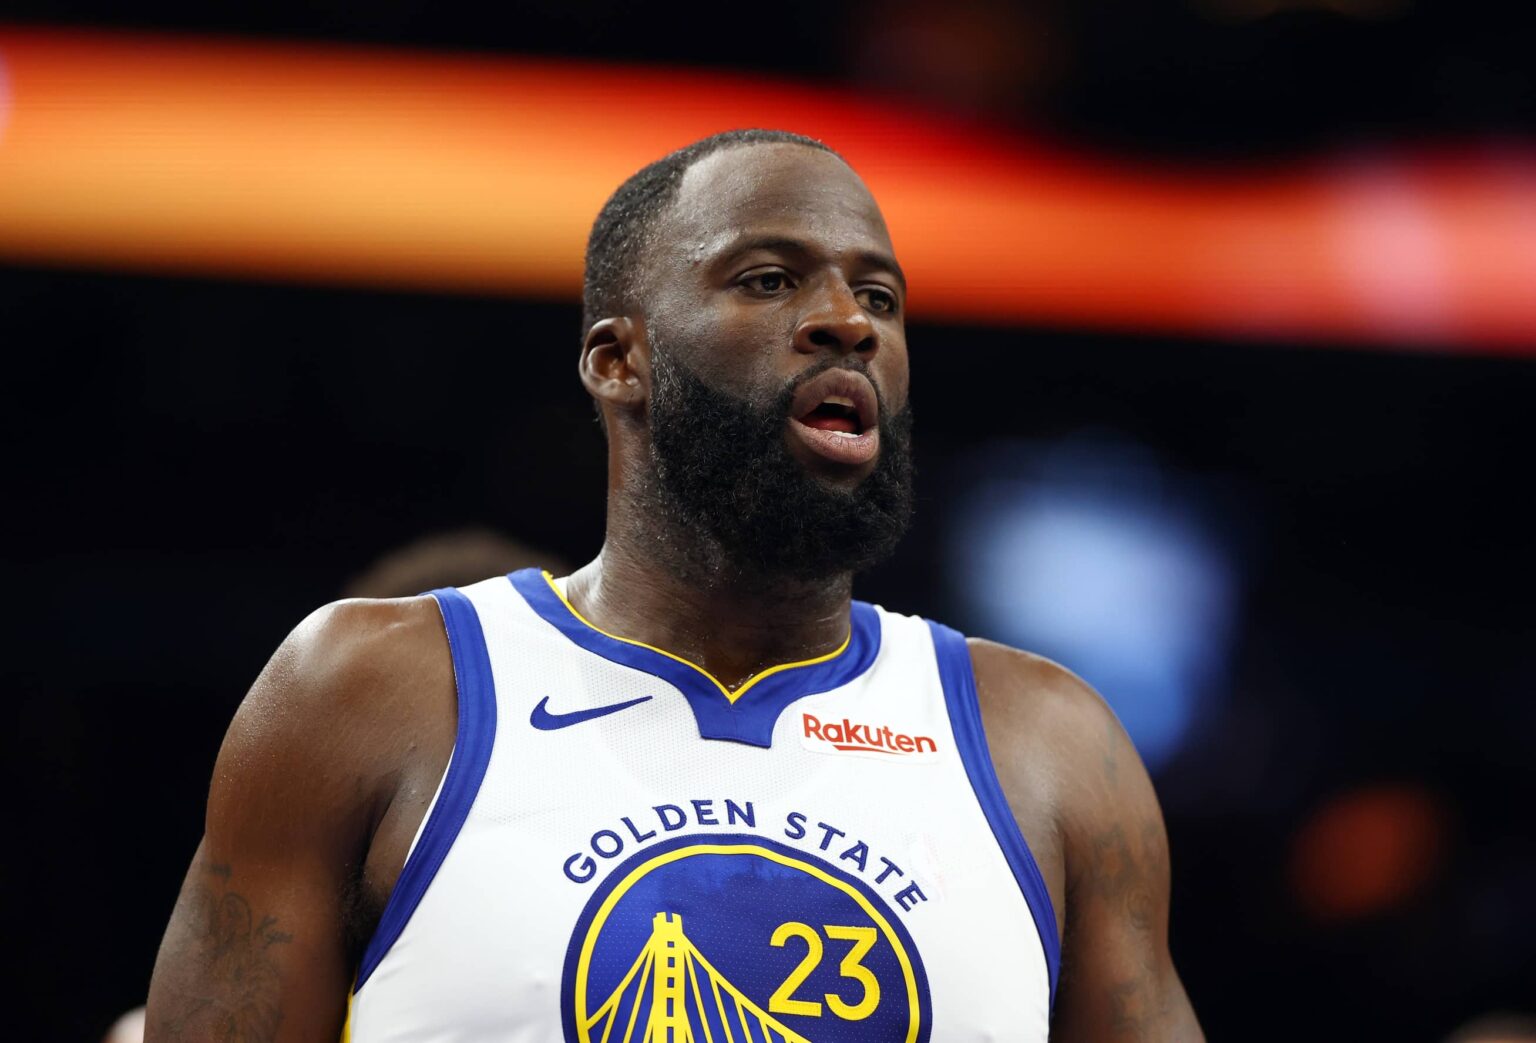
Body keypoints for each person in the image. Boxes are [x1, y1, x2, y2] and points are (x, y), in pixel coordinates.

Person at [145, 128, 1202, 1041]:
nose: (849, 321)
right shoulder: (367, 694)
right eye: (769, 278)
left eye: (878, 294)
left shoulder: (1053, 746)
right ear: (618, 359)